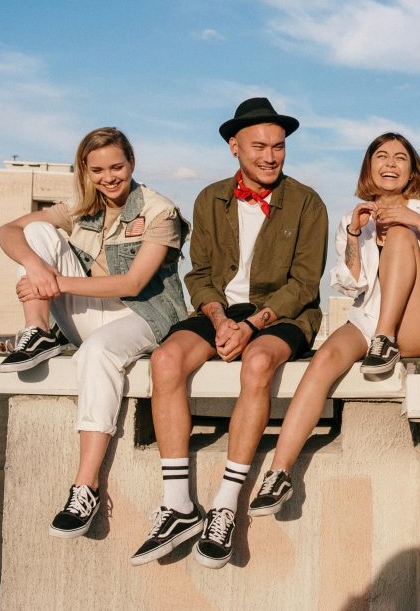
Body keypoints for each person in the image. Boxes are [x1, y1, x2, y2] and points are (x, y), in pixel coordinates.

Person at [130, 98, 328, 569]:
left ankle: (225, 503)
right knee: (165, 361)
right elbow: (198, 276)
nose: (270, 156)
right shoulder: (209, 198)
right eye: (259, 146)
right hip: (223, 310)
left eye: (278, 147)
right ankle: (178, 504)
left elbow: (304, 283)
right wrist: (220, 320)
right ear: (234, 147)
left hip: (283, 314)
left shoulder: (307, 202)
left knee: (258, 363)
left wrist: (252, 324)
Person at [0, 127, 188, 540]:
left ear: (132, 163)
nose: (109, 177)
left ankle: (86, 486)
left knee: (97, 352)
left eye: (117, 166)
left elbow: (133, 285)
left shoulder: (159, 211)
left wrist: (56, 284)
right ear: (86, 169)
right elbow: (5, 231)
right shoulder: (82, 208)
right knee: (35, 234)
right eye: (98, 169)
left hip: (144, 315)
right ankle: (37, 332)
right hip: (90, 310)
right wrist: (38, 268)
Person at [246, 132, 420, 516]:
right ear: (369, 167)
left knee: (402, 234)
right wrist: (356, 233)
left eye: (400, 158)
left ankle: (385, 340)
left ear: (411, 170)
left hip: (414, 323)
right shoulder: (352, 220)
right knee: (323, 361)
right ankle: (279, 472)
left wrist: (413, 220)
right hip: (368, 319)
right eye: (381, 156)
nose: (390, 163)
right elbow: (351, 282)